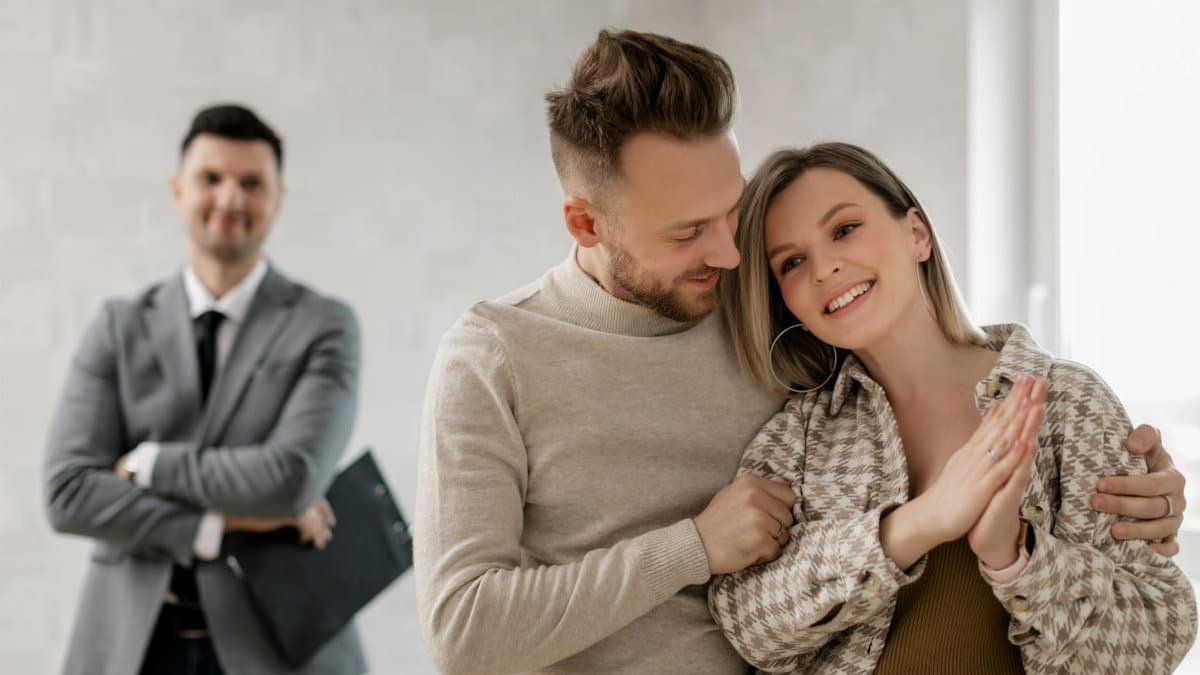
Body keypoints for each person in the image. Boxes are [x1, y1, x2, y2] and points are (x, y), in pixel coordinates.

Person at [415, 30, 1187, 675]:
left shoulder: (782, 341)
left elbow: (1149, 614)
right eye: (689, 232)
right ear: (585, 225)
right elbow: (463, 631)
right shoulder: (495, 356)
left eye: (733, 212)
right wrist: (694, 547)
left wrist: (1135, 492)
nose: (728, 253)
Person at [709, 142, 1196, 673]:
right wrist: (912, 527)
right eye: (793, 262)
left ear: (916, 234)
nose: (824, 268)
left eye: (844, 229)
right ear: (791, 305)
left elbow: (1158, 634)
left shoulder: (1067, 403)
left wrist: (1015, 555)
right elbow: (746, 624)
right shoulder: (797, 436)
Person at [43, 104, 366, 675]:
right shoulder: (119, 326)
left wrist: (148, 463)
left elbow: (290, 480)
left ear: (278, 197)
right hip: (130, 646)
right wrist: (222, 524)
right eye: (210, 179)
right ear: (177, 190)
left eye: (251, 183)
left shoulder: (325, 325)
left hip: (276, 648)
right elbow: (68, 492)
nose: (230, 200)